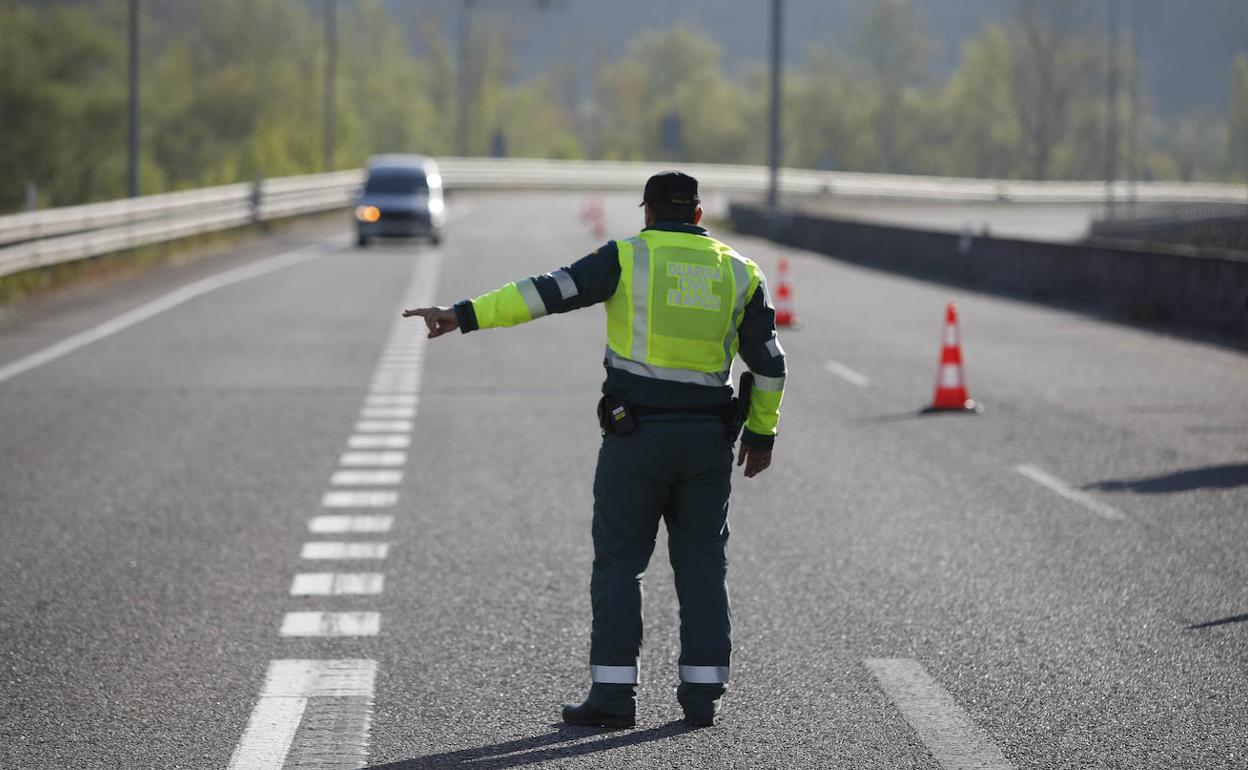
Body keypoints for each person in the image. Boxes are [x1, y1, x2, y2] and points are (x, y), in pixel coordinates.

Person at [404, 171, 787, 729]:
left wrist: (461, 315)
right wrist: (761, 433)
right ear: (699, 215)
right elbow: (770, 365)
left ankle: (612, 697)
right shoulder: (740, 271)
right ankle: (703, 696)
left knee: (620, 562)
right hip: (707, 442)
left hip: (637, 440)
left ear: (649, 213)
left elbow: (545, 293)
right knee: (703, 561)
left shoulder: (628, 257)